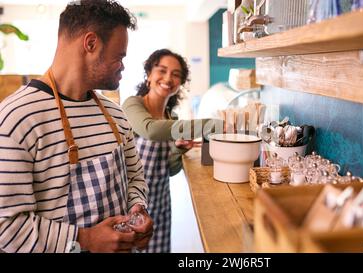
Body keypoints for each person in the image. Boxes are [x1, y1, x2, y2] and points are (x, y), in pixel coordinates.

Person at [0, 0, 153, 253]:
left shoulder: (115, 115)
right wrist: (87, 239)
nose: (123, 65)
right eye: (119, 56)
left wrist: (138, 209)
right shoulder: (17, 119)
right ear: (91, 43)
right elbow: (7, 227)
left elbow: (135, 176)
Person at [123, 49, 221, 252]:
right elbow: (150, 130)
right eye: (162, 70)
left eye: (176, 74)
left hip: (159, 203)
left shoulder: (171, 118)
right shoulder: (133, 105)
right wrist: (210, 124)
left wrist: (178, 150)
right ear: (149, 74)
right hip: (130, 203)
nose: (168, 78)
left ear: (180, 84)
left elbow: (170, 170)